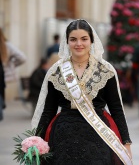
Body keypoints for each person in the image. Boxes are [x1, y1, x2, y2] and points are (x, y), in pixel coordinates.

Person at [32, 19, 132, 165]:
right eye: (73, 39)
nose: (78, 44)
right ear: (67, 42)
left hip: (98, 136)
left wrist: (126, 142)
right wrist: (36, 141)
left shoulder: (105, 70)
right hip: (63, 136)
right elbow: (49, 110)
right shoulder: (56, 71)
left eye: (84, 39)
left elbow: (116, 109)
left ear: (92, 41)